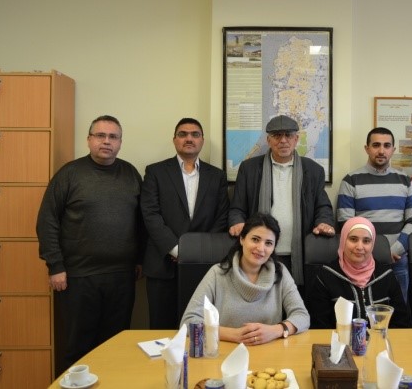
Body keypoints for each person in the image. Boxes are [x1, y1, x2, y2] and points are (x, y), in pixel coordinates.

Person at [37, 115, 145, 366]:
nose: (106, 141)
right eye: (100, 135)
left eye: (113, 137)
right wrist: (55, 266)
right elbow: (47, 220)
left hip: (122, 277)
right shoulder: (69, 174)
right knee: (78, 346)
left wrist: (139, 259)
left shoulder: (130, 174)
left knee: (116, 346)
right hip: (78, 277)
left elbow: (142, 222)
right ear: (89, 140)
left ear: (120, 142)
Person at [141, 117, 229, 329]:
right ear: (174, 140)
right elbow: (150, 214)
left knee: (201, 329)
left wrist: (196, 252)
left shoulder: (217, 176)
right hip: (163, 265)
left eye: (195, 134)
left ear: (202, 141)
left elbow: (222, 217)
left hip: (204, 267)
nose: (189, 139)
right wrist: (177, 250)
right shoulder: (155, 172)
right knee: (162, 329)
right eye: (183, 134)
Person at [228, 115, 334, 286]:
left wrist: (324, 222)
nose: (283, 140)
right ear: (268, 140)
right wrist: (237, 222)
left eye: (288, 135)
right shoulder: (249, 169)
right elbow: (237, 208)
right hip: (260, 252)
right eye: (277, 135)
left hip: (299, 254)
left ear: (296, 139)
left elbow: (323, 206)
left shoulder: (313, 170)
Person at [181, 213, 310, 344]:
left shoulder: (280, 273)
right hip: (226, 350)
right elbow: (188, 322)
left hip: (269, 350)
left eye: (268, 243)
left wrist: (277, 330)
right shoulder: (217, 273)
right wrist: (232, 335)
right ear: (242, 239)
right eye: (255, 239)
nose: (261, 248)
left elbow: (302, 316)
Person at [336, 127, 412, 302]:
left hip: (397, 260)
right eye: (376, 145)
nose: (381, 151)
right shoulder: (351, 180)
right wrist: (372, 252)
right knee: (364, 309)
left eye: (386, 146)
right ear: (367, 148)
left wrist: (393, 250)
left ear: (393, 150)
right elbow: (346, 223)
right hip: (361, 261)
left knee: (398, 310)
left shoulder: (405, 181)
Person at [306, 217, 412, 328]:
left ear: (372, 244)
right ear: (343, 240)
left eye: (366, 241)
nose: (360, 247)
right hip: (339, 339)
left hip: (381, 338)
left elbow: (402, 323)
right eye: (353, 239)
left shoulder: (386, 276)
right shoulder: (325, 277)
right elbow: (319, 327)